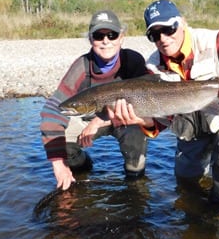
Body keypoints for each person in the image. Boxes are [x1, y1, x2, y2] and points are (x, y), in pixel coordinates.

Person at [110, 0, 219, 206]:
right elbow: (163, 119)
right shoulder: (153, 67)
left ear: (182, 22)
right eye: (155, 34)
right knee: (185, 182)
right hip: (190, 132)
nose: (163, 39)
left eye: (169, 29)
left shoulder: (212, 41)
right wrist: (142, 121)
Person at [40, 10, 149, 190]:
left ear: (121, 37)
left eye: (112, 35)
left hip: (125, 119)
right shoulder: (81, 67)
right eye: (99, 36)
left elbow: (147, 99)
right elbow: (52, 110)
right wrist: (58, 164)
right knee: (62, 139)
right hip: (86, 117)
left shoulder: (133, 61)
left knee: (137, 135)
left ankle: (135, 183)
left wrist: (98, 122)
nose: (106, 41)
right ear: (91, 40)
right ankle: (82, 168)